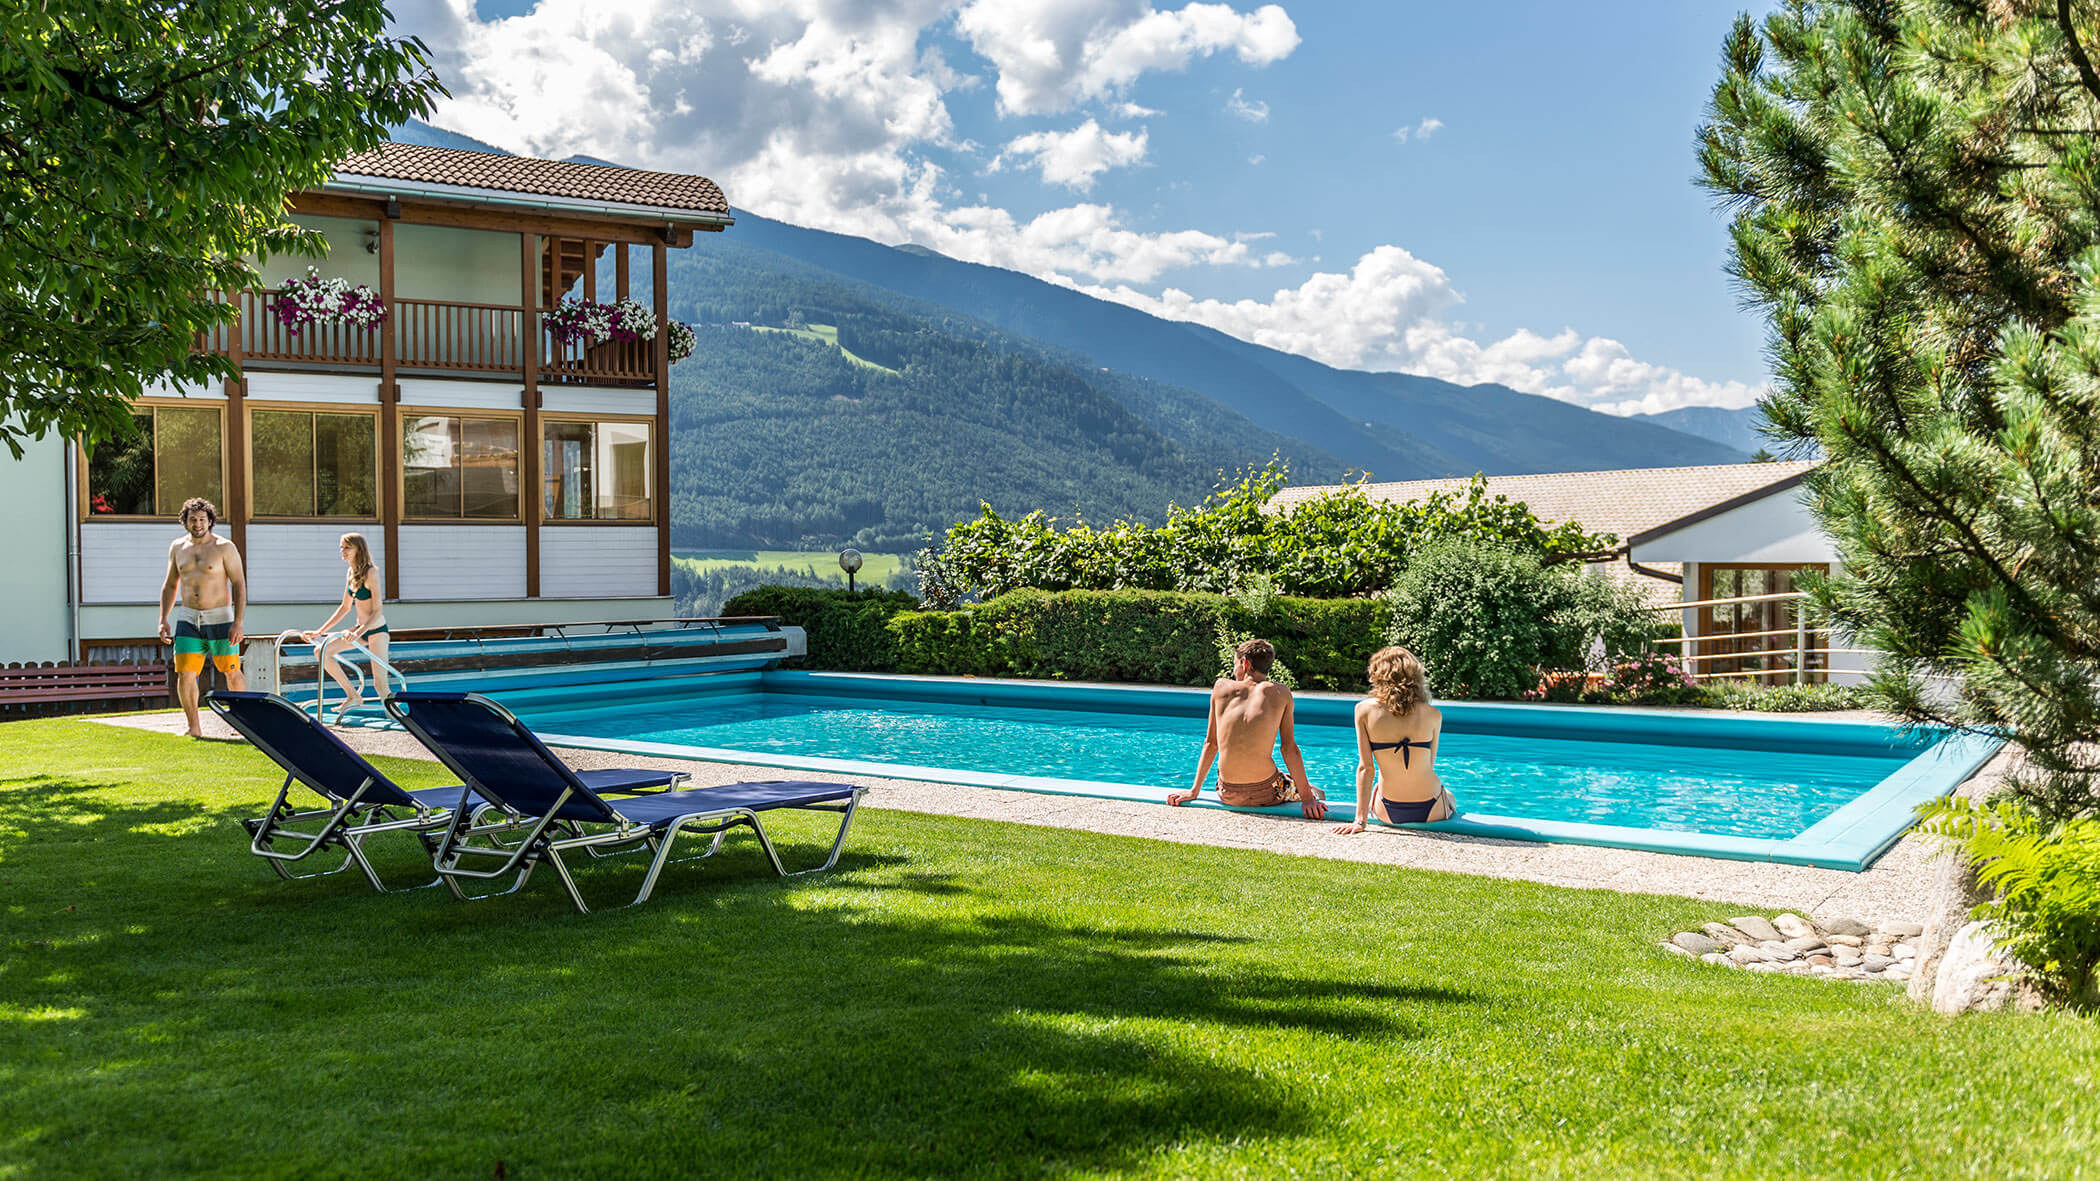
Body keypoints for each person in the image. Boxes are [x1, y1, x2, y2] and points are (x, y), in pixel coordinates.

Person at [1167, 638, 1327, 819]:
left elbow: (1211, 743)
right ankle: (1313, 792)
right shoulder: (1281, 693)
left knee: (1286, 778)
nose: (1234, 670)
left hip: (1227, 792)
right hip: (1266, 792)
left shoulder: (1221, 688)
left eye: (1235, 664)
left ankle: (1298, 783)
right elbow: (1288, 749)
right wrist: (1307, 799)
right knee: (1316, 793)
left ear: (1245, 663)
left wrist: (1194, 791)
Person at [1333, 646, 1455, 835]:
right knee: (1449, 795)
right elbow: (1429, 764)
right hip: (1432, 809)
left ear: (1377, 675)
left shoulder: (1363, 711)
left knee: (1378, 786)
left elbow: (1366, 768)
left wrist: (1359, 820)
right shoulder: (1433, 715)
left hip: (1389, 810)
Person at [157, 497, 247, 738]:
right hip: (188, 617)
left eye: (202, 519)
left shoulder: (224, 547)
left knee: (231, 670)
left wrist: (238, 621)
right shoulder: (177, 547)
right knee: (185, 672)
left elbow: (239, 584)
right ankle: (194, 727)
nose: (197, 524)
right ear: (185, 521)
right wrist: (163, 618)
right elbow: (170, 585)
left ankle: (240, 724)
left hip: (220, 618)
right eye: (192, 519)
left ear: (210, 521)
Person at [302, 533, 389, 722]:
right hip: (359, 629)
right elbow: (345, 607)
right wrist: (319, 631)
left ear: (359, 549)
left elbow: (377, 611)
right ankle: (353, 695)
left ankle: (397, 718)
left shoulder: (371, 572)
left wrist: (358, 632)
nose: (342, 551)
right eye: (341, 547)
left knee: (379, 683)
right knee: (321, 651)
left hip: (376, 629)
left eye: (346, 547)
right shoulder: (351, 572)